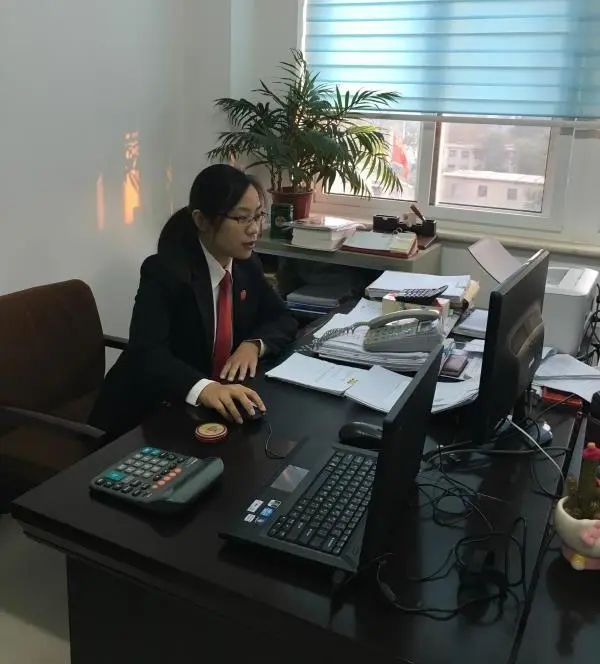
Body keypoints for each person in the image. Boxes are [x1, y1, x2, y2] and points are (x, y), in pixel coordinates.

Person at [89, 164, 298, 437]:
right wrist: (204, 388)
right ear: (202, 221)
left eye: (258, 216)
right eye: (242, 218)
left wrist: (253, 345)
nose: (254, 229)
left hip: (206, 412)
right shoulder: (165, 271)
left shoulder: (247, 265)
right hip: (146, 415)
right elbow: (147, 352)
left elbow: (282, 318)